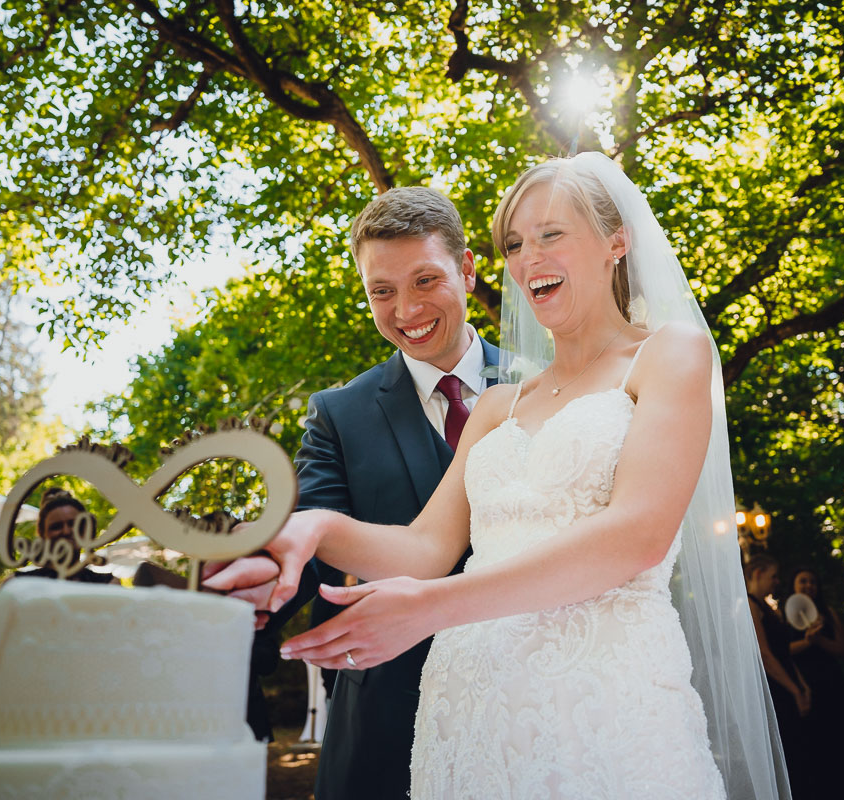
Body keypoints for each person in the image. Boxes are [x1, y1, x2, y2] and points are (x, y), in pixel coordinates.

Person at [208, 153, 788, 799]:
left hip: (602, 704)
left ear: (616, 241)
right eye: (515, 242)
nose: (528, 256)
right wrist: (312, 528)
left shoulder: (670, 354)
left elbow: (638, 536)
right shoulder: (497, 406)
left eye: (550, 234)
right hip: (468, 707)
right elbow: (426, 549)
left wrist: (428, 609)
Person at [250, 186, 499, 797]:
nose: (406, 309)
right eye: (381, 291)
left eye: (424, 280)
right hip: (388, 713)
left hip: (530, 696)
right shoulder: (339, 413)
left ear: (467, 271)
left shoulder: (552, 383)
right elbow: (313, 528)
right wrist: (256, 579)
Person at [787, 566, 844, 799]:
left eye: (812, 581)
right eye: (803, 581)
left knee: (837, 740)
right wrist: (807, 642)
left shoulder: (828, 612)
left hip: (830, 683)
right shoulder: (783, 614)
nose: (808, 586)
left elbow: (843, 649)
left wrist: (819, 638)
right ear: (794, 585)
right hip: (803, 685)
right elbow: (781, 651)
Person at [745, 555, 813, 799]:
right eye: (773, 576)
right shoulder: (749, 606)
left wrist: (802, 685)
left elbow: (783, 653)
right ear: (757, 574)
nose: (776, 581)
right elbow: (765, 655)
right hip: (775, 690)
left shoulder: (768, 607)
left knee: (799, 752)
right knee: (788, 751)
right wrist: (794, 690)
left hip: (788, 683)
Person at [10, 489, 115, 583]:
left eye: (74, 524)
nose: (66, 531)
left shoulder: (110, 585)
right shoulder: (17, 583)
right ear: (42, 534)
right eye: (56, 527)